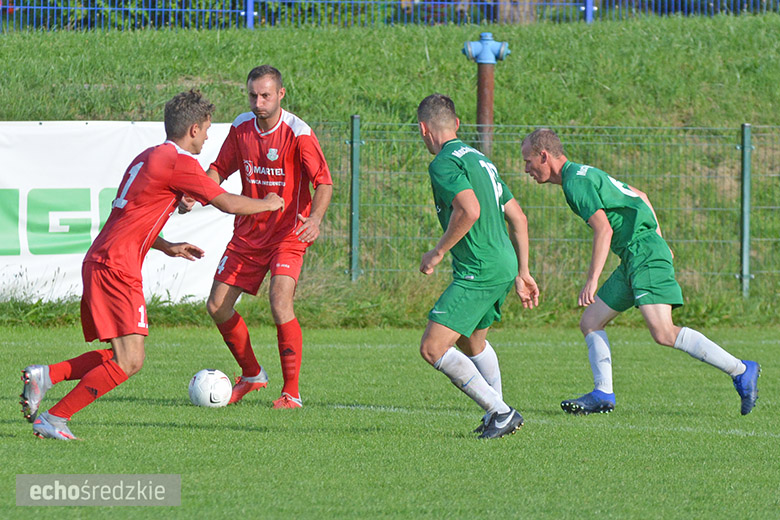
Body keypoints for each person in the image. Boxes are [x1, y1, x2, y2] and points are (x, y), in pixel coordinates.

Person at [19, 89, 285, 440]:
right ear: (192, 129)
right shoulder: (178, 162)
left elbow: (130, 215)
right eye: (206, 130)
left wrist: (166, 245)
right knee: (130, 360)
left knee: (123, 356)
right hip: (116, 267)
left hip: (106, 260)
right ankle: (53, 418)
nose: (207, 137)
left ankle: (46, 376)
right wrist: (268, 203)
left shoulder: (148, 156)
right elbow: (228, 203)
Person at [521, 128, 760, 416]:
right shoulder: (583, 173)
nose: (526, 169)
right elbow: (641, 195)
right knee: (591, 322)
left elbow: (604, 229)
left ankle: (742, 370)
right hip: (635, 256)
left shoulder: (574, 183)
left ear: (544, 156)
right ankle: (603, 393)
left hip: (643, 253)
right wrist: (661, 238)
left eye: (528, 161)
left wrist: (592, 279)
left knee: (663, 332)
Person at [184, 65, 332, 409]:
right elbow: (220, 168)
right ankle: (252, 375)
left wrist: (316, 218)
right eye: (253, 95)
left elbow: (323, 181)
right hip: (249, 232)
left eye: (265, 95)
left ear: (280, 94)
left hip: (288, 233)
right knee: (217, 306)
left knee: (280, 301)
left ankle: (291, 392)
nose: (258, 102)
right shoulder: (241, 127)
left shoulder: (298, 133)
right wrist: (196, 191)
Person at [416, 94, 539, 439]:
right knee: (472, 342)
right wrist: (523, 271)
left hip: (480, 268)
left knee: (432, 347)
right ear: (455, 124)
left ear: (423, 129)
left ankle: (500, 411)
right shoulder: (481, 159)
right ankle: (497, 413)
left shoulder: (443, 163)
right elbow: (519, 218)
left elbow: (469, 210)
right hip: (503, 262)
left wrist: (438, 252)